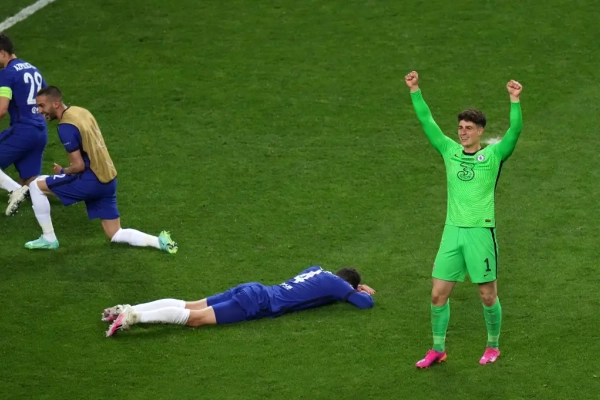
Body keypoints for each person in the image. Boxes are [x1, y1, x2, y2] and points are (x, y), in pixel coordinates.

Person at [405, 71, 523, 367]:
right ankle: (438, 349)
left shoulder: (494, 156)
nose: (462, 132)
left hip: (480, 232)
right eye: (460, 127)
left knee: (487, 295)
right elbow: (427, 122)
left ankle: (493, 346)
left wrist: (514, 100)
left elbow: (515, 131)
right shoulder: (449, 151)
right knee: (437, 295)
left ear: (480, 131)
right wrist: (415, 90)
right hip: (452, 232)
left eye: (468, 128)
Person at [22, 85, 178, 253]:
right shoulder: (81, 112)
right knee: (115, 233)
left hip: (90, 180)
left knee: (35, 185)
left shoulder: (65, 127)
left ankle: (49, 239)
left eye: (42, 106)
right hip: (108, 178)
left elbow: (78, 166)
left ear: (56, 103)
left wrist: (62, 172)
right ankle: (159, 242)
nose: (39, 110)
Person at [103, 266, 375, 337]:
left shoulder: (317, 271)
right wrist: (360, 291)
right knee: (196, 319)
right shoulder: (337, 285)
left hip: (254, 288)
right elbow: (366, 304)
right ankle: (134, 317)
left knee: (190, 304)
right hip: (259, 303)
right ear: (348, 284)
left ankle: (129, 308)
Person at [0, 33, 48, 216]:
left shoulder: (7, 73)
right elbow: (46, 99)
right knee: (31, 182)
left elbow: (2, 108)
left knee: (23, 187)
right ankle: (74, 187)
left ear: (2, 53)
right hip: (40, 131)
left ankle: (14, 190)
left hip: (23, 130)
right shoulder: (34, 69)